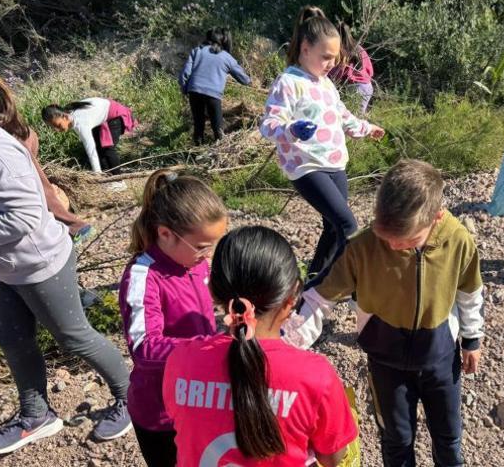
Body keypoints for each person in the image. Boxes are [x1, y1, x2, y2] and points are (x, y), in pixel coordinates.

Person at [283, 159, 485, 466]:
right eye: (385, 236)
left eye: (405, 241)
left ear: (437, 216)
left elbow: (469, 291)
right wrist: (282, 349)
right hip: (386, 363)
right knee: (396, 439)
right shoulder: (362, 248)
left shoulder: (457, 240)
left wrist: (472, 339)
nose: (392, 245)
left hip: (441, 359)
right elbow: (316, 299)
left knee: (448, 435)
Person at [0, 117, 131, 455]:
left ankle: (131, 397)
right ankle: (37, 415)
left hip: (37, 262)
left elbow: (25, 214)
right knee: (12, 339)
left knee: (73, 336)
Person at [163, 226, 358, 466]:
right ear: (291, 300)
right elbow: (333, 458)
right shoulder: (315, 376)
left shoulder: (181, 361)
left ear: (213, 291)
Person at [259, 6, 384, 282]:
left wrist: (366, 128)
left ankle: (314, 284)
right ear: (305, 48)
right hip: (306, 166)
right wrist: (291, 129)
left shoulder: (326, 83)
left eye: (334, 58)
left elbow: (342, 116)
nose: (331, 64)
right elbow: (268, 126)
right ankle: (355, 287)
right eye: (325, 57)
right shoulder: (289, 82)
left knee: (332, 227)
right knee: (347, 223)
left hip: (334, 163)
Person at [117, 169, 227, 467]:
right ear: (165, 233)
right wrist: (210, 346)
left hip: (199, 398)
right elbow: (144, 347)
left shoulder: (195, 263)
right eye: (203, 246)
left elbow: (211, 294)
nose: (208, 255)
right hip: (161, 413)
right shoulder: (143, 275)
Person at [0, 71, 94, 245]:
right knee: (37, 187)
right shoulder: (3, 118)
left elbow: (23, 215)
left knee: (42, 188)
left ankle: (75, 226)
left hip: (19, 139)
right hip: (21, 136)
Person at [178, 27, 252, 145]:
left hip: (194, 91)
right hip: (213, 95)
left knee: (198, 125)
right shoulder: (226, 57)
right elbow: (243, 78)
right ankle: (219, 152)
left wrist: (185, 89)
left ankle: (196, 152)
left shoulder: (197, 51)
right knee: (218, 128)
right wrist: (250, 82)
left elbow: (184, 74)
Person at [41, 97, 136, 177]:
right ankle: (108, 178)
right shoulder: (70, 113)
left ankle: (118, 181)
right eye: (53, 127)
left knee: (107, 149)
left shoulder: (80, 122)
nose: (56, 130)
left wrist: (96, 174)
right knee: (100, 148)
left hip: (115, 114)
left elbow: (91, 149)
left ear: (65, 117)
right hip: (102, 117)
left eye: (58, 125)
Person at [330, 21, 375, 114]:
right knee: (358, 117)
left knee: (352, 118)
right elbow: (370, 70)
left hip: (355, 88)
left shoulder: (341, 50)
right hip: (367, 85)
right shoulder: (359, 48)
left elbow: (338, 72)